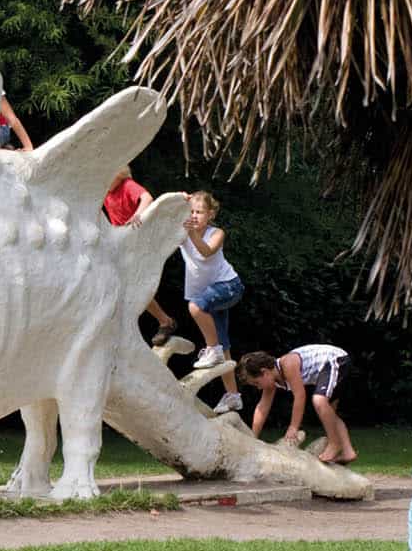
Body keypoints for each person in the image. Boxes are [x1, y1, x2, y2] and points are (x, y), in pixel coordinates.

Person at [237, 345, 358, 464]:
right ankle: (348, 451)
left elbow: (300, 396)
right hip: (331, 365)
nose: (258, 388)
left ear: (264, 372)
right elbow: (262, 408)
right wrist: (252, 438)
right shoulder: (272, 380)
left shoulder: (288, 364)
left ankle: (334, 444)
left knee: (319, 400)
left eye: (256, 383)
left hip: (335, 359)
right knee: (329, 411)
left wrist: (294, 427)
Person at [181, 191, 243, 414]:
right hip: (209, 295)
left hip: (229, 287)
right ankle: (233, 396)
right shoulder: (182, 233)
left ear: (211, 214)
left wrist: (190, 233)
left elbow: (206, 252)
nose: (194, 216)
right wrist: (177, 198)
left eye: (199, 212)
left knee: (195, 306)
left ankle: (212, 349)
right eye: (191, 212)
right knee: (223, 345)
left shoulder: (216, 233)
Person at [104, 166, 178, 346]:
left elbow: (147, 198)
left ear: (118, 175)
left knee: (135, 286)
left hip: (138, 241)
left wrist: (138, 215)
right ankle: (163, 321)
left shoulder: (127, 185)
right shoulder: (105, 192)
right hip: (121, 243)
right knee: (125, 286)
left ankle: (165, 321)